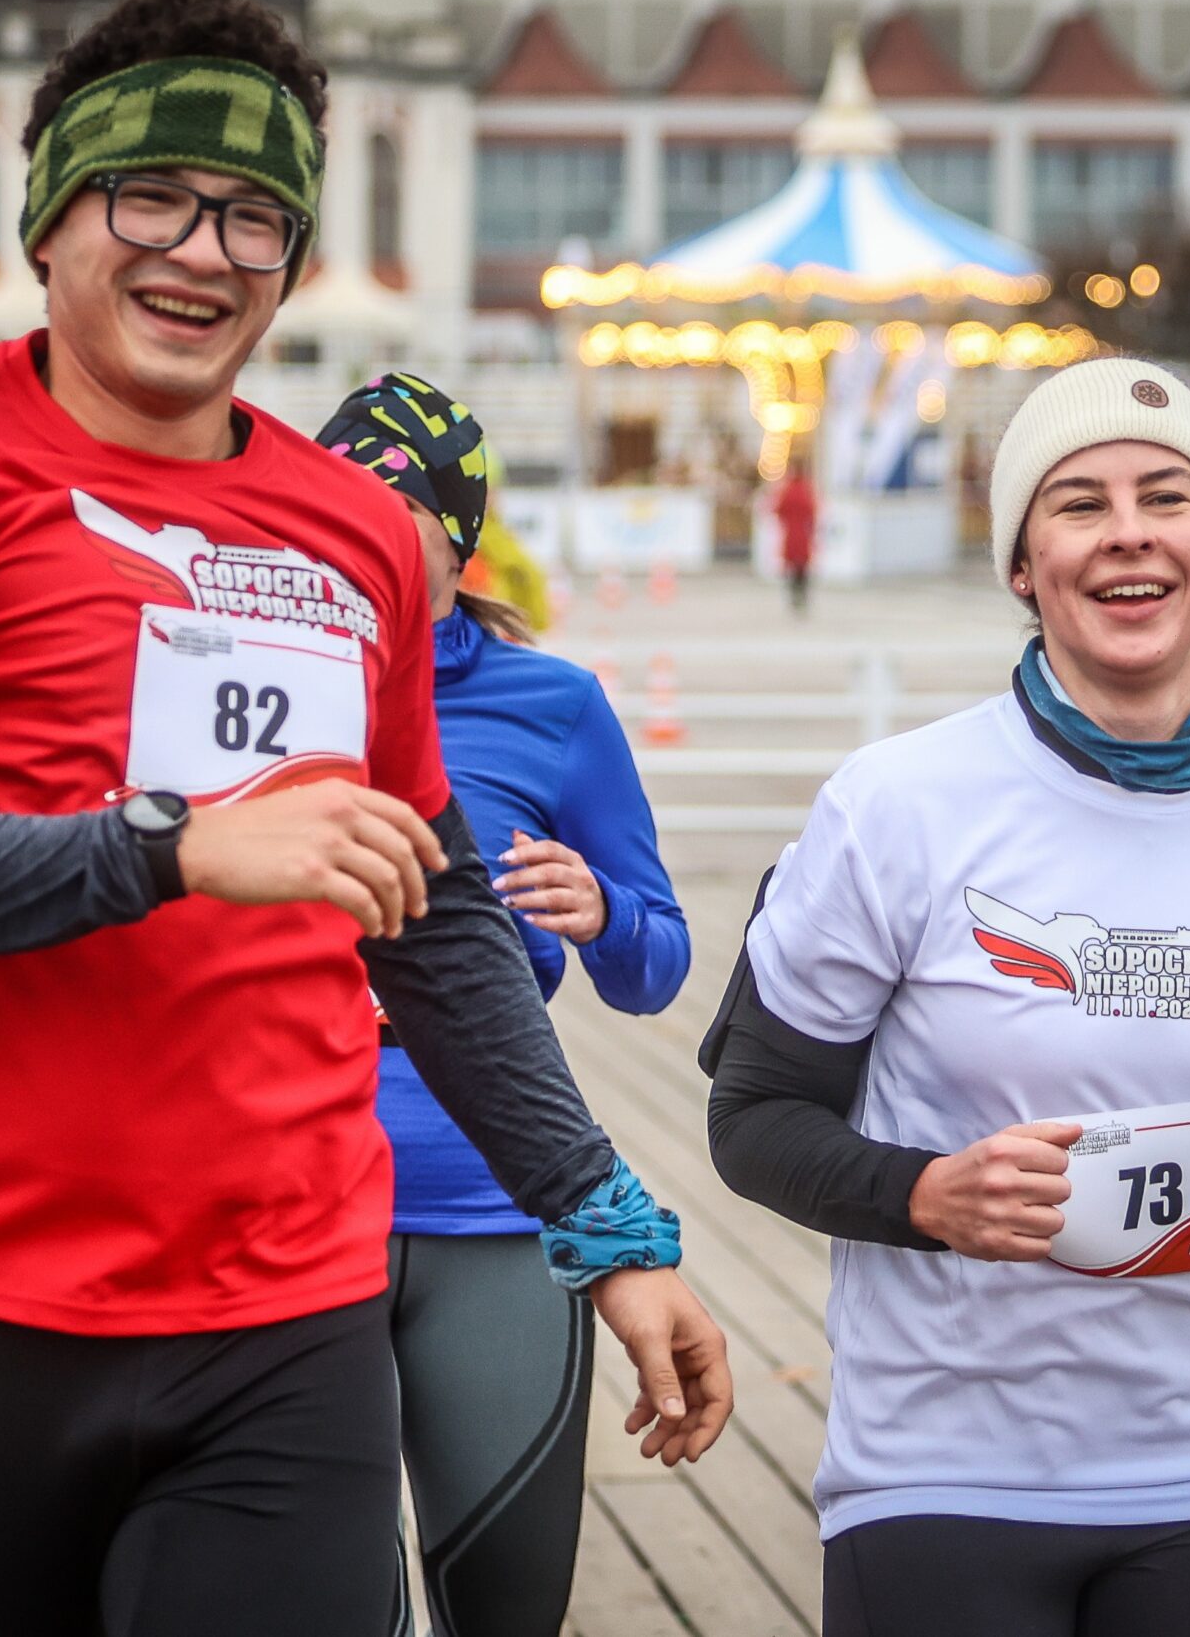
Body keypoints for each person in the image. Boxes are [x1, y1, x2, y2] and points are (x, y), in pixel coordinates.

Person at [0, 0, 730, 1637]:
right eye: (154, 198)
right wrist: (170, 846)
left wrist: (605, 1221)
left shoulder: (350, 529)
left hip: (288, 1310)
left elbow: (439, 914)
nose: (204, 252)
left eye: (257, 216)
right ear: (52, 219)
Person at [706, 358, 1190, 1637]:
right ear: (1024, 566)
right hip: (944, 1468)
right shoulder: (897, 804)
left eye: (1166, 496)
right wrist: (925, 1195)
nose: (1129, 531)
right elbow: (752, 1119)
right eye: (1079, 504)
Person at [316, 375, 692, 1637]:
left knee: (505, 1608)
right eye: (332, 514)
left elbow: (657, 967)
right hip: (298, 1209)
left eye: (395, 520)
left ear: (459, 543)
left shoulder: (554, 704)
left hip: (498, 1209)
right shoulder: (264, 694)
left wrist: (602, 909)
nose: (358, 545)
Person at [775, 456, 818, 616]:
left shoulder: (787, 489)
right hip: (803, 534)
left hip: (791, 533)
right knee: (802, 567)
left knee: (793, 567)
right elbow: (813, 511)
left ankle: (794, 596)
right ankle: (802, 596)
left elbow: (779, 509)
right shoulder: (806, 490)